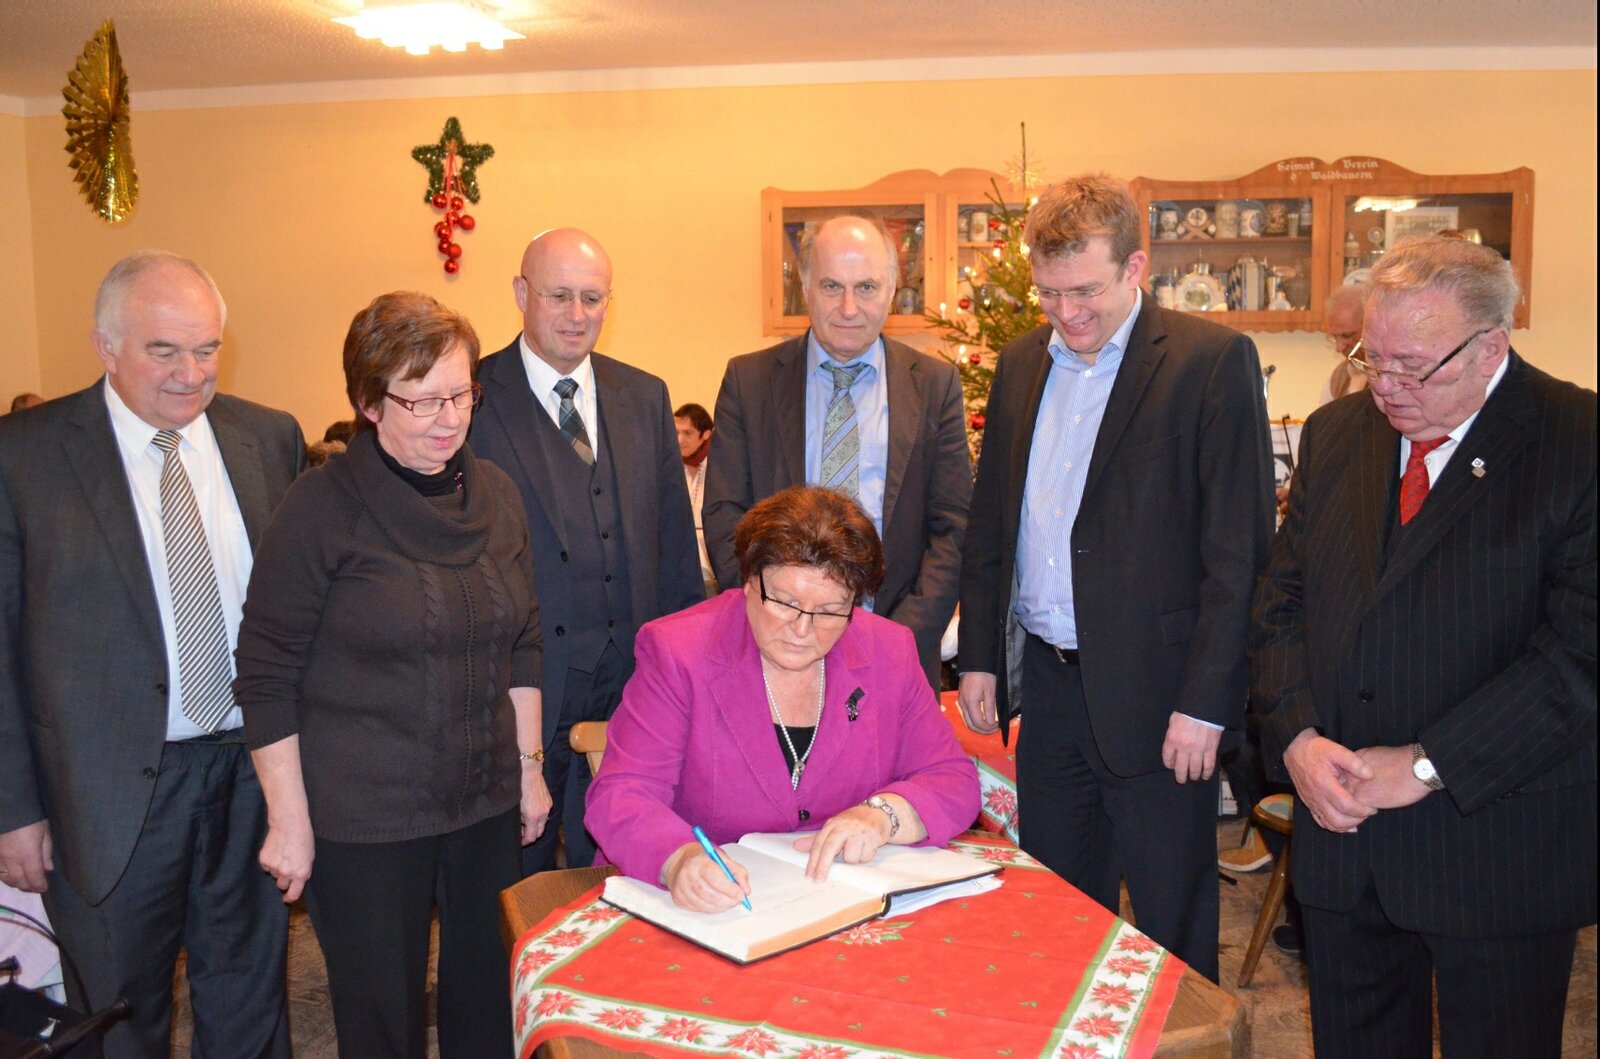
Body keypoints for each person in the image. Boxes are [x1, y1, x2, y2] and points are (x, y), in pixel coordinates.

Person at [1252, 234, 1596, 1058]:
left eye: (1413, 366)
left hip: (1498, 844)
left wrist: (1427, 763)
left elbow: (1580, 653)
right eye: (1373, 358)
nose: (1387, 385)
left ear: (1491, 347)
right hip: (1344, 837)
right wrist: (1297, 736)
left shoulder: (1577, 440)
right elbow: (1280, 603)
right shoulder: (1337, 432)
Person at [956, 174, 1274, 981]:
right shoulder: (1022, 363)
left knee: (1171, 925)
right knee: (1061, 918)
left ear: (1135, 267)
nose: (1067, 313)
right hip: (1050, 692)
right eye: (1050, 293)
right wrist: (983, 655)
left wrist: (1208, 701)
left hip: (1163, 699)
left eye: (1086, 291)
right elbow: (993, 520)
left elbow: (1239, 553)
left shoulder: (1209, 362)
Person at [0, 250, 304, 1057]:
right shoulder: (23, 456)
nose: (190, 373)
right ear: (105, 345)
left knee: (250, 997)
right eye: (164, 350)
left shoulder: (268, 437)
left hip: (251, 771)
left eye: (206, 348)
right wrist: (12, 808)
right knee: (120, 1016)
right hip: (105, 793)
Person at [235, 291, 546, 1059]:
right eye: (423, 400)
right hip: (366, 818)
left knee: (489, 1008)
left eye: (461, 394)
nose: (449, 418)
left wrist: (530, 769)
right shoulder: (320, 507)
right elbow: (266, 669)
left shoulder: (498, 493)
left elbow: (524, 641)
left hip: (483, 801)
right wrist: (288, 818)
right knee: (383, 1022)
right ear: (370, 402)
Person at [587, 485, 979, 910]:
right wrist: (678, 859)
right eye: (785, 602)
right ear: (749, 581)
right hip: (714, 905)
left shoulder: (889, 650)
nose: (802, 629)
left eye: (830, 610)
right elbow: (622, 793)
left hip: (838, 901)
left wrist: (884, 815)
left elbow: (951, 778)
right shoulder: (678, 651)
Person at [471, 227, 703, 874]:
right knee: (517, 888)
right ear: (522, 294)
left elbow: (675, 553)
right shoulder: (473, 396)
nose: (577, 315)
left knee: (628, 878)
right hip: (519, 698)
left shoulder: (645, 396)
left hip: (631, 694)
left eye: (593, 298)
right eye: (559, 296)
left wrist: (686, 676)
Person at [705, 215, 971, 690]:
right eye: (832, 286)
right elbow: (725, 514)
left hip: (898, 650)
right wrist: (775, 619)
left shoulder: (935, 385)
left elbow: (953, 528)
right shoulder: (750, 382)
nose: (849, 307)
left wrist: (898, 638)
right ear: (806, 288)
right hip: (772, 652)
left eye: (866, 287)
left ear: (891, 291)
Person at [675, 401, 718, 598]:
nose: (679, 440)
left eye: (687, 433)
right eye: (676, 432)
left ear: (706, 434)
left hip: (712, 573)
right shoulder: (673, 467)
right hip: (680, 569)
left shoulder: (718, 468)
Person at [1318, 284, 1368, 405]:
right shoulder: (1337, 379)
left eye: (1347, 336)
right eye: (1334, 337)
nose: (1339, 348)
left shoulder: (1391, 378)